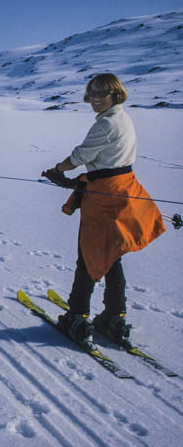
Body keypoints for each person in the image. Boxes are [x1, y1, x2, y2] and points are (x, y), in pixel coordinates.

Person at [42, 73, 165, 345]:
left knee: (90, 253)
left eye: (102, 94)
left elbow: (81, 156)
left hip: (104, 195)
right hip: (121, 188)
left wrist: (58, 170)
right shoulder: (123, 118)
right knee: (112, 254)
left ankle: (77, 315)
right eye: (93, 94)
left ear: (115, 94)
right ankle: (114, 316)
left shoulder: (106, 124)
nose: (96, 100)